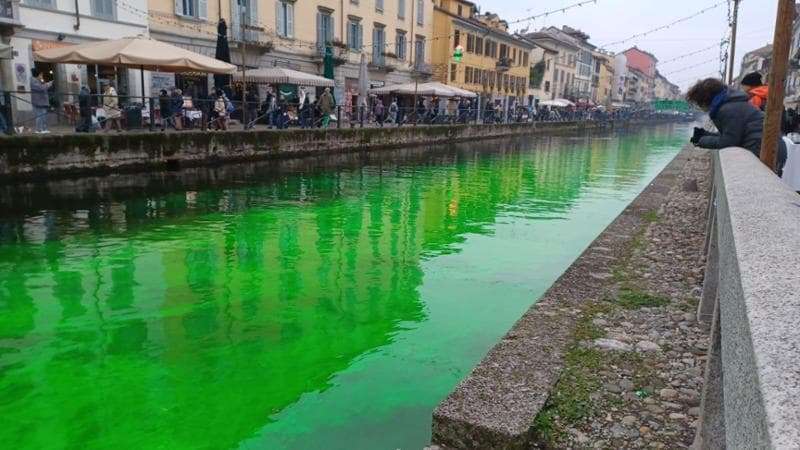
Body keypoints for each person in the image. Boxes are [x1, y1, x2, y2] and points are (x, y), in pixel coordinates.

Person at [686, 77, 786, 174]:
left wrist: (701, 140)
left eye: (699, 103)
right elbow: (731, 134)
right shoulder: (731, 103)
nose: (700, 107)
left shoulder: (727, 109)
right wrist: (706, 134)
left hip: (764, 150)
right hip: (772, 147)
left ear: (705, 99)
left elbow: (729, 141)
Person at [30, 68, 52, 134]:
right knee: (40, 115)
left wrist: (44, 82)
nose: (42, 76)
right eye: (41, 74)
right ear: (38, 74)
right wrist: (48, 84)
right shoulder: (33, 81)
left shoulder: (39, 80)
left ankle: (44, 128)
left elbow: (43, 86)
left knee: (43, 115)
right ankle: (39, 129)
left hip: (42, 101)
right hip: (38, 101)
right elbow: (41, 88)